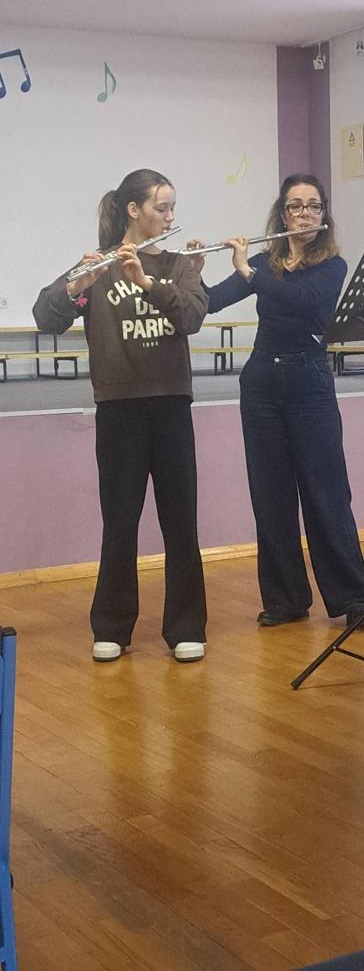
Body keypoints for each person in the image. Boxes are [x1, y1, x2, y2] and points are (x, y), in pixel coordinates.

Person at [33, 168, 208, 662]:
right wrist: (76, 285)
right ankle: (111, 625)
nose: (170, 217)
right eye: (161, 208)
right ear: (134, 210)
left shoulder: (179, 264)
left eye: (172, 208)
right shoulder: (100, 265)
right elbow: (45, 316)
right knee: (120, 521)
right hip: (118, 409)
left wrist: (147, 282)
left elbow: (192, 316)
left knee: (181, 521)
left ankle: (186, 626)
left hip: (170, 404)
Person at [190, 173, 364, 626]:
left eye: (314, 206)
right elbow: (211, 302)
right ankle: (286, 600)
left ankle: (354, 599)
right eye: (296, 206)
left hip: (308, 380)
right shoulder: (265, 261)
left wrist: (250, 272)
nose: (305, 214)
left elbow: (301, 300)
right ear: (283, 214)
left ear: (324, 214)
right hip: (261, 384)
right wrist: (193, 270)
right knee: (270, 494)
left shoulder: (331, 267)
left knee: (326, 492)